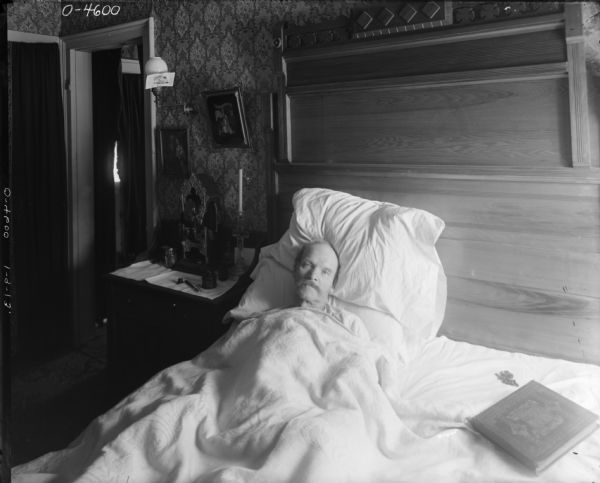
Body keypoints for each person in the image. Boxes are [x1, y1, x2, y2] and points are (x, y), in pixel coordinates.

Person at [292, 240, 368, 338]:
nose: (313, 276)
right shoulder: (268, 319)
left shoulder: (350, 326)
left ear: (333, 285)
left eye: (325, 272)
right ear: (294, 270)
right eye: (307, 265)